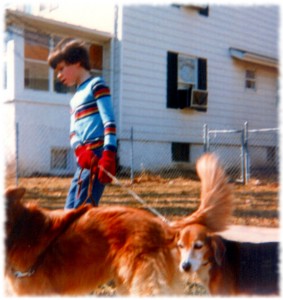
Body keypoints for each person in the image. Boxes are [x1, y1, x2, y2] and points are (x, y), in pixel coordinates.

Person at [48, 38, 117, 208]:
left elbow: (109, 122)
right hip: (85, 158)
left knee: (82, 212)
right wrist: (80, 150)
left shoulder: (96, 85)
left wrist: (109, 154)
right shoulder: (74, 99)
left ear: (77, 62)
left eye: (61, 68)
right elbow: (73, 132)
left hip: (100, 154)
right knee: (69, 210)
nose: (58, 75)